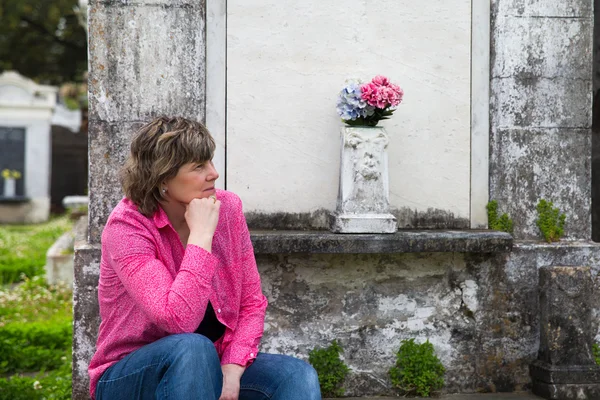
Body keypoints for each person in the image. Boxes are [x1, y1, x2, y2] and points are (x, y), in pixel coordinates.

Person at [88, 117, 321, 400]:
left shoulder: (228, 207)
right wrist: (201, 237)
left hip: (211, 364)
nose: (214, 173)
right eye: (199, 167)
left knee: (295, 376)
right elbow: (176, 320)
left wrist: (232, 371)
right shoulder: (128, 228)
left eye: (209, 161)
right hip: (130, 377)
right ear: (162, 178)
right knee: (192, 348)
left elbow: (251, 302)